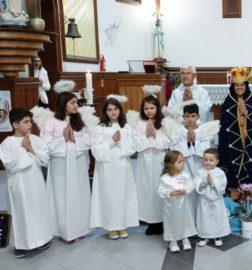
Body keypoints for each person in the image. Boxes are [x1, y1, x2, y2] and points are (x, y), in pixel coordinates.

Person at [0, 109, 53, 258]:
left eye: (30, 121)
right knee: (21, 212)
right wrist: (23, 150)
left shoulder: (34, 139)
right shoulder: (7, 143)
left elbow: (45, 158)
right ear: (15, 124)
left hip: (35, 181)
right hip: (19, 185)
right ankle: (21, 245)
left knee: (38, 209)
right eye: (26, 122)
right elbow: (10, 165)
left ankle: (41, 239)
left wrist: (30, 148)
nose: (30, 124)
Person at [40, 91, 91, 243]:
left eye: (76, 103)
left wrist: (75, 139)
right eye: (73, 103)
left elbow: (89, 140)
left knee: (79, 193)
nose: (76, 106)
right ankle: (63, 231)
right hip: (60, 165)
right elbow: (45, 146)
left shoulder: (79, 121)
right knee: (61, 196)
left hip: (78, 163)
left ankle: (79, 228)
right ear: (64, 104)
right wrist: (63, 139)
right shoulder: (50, 123)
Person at [90, 96, 139, 240]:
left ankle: (122, 224)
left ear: (120, 110)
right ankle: (110, 226)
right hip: (107, 166)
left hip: (123, 165)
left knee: (122, 194)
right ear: (105, 112)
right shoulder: (99, 128)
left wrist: (121, 144)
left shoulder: (127, 127)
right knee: (108, 195)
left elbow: (133, 145)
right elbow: (96, 149)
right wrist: (112, 141)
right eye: (109, 109)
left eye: (115, 109)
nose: (113, 112)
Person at [218, 67, 252, 196]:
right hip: (233, 141)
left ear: (246, 86)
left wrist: (247, 113)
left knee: (250, 161)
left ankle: (250, 189)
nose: (239, 88)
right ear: (232, 86)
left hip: (250, 139)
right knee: (233, 161)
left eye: (242, 85)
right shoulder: (228, 101)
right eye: (236, 85)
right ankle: (234, 188)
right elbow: (224, 122)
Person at [134, 94, 170, 235]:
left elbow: (167, 142)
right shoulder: (139, 124)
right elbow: (136, 144)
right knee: (147, 190)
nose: (149, 111)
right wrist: (146, 136)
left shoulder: (163, 123)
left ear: (157, 108)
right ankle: (150, 221)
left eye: (152, 108)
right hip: (144, 161)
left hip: (158, 160)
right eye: (146, 108)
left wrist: (154, 136)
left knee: (158, 187)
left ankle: (161, 221)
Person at [169, 103, 211, 215]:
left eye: (193, 116)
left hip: (199, 166)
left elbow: (207, 151)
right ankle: (188, 222)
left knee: (199, 190)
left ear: (198, 116)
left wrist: (195, 141)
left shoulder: (203, 132)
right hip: (184, 168)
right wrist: (187, 141)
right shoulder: (178, 132)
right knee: (187, 192)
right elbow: (173, 150)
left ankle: (200, 220)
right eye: (187, 116)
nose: (190, 119)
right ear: (183, 117)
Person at [158, 150, 197, 253]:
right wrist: (170, 193)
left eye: (182, 161)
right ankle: (173, 240)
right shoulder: (165, 178)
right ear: (170, 164)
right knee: (172, 222)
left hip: (184, 205)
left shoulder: (185, 175)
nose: (182, 163)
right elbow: (160, 190)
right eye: (179, 162)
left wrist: (185, 190)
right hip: (171, 207)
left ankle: (185, 237)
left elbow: (191, 184)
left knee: (185, 220)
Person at [195, 148, 230, 247]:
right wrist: (205, 182)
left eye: (211, 160)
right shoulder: (200, 172)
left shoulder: (220, 173)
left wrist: (212, 182)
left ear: (217, 161)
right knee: (204, 219)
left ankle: (217, 236)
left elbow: (223, 185)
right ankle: (204, 236)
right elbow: (197, 184)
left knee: (217, 218)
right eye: (205, 159)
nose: (208, 162)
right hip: (204, 201)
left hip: (216, 201)